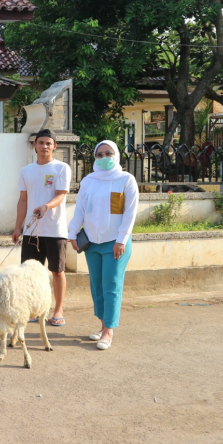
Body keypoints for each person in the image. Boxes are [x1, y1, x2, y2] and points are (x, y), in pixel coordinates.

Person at [68, 140, 138, 350]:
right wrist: (72, 232)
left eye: (108, 153)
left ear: (116, 155)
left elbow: (130, 213)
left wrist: (121, 240)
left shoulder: (126, 180)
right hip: (91, 242)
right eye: (100, 154)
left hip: (115, 243)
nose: (104, 157)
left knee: (112, 286)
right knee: (97, 286)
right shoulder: (89, 181)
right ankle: (102, 325)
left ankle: (109, 331)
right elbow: (80, 209)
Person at [12, 128, 71, 326]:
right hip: (31, 232)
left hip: (55, 230)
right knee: (30, 272)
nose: (44, 146)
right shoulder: (26, 171)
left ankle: (58, 310)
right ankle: (35, 310)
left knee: (57, 271)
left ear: (55, 146)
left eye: (48, 143)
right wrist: (17, 227)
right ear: (34, 145)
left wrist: (46, 206)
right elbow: (22, 201)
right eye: (41, 143)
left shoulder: (61, 168)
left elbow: (62, 194)